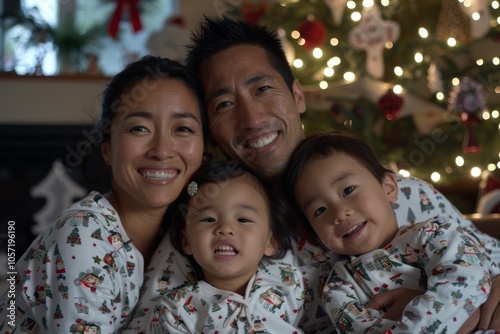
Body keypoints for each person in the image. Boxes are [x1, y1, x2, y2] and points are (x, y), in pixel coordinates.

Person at [128, 16, 500, 333]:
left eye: (263, 89)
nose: (253, 118)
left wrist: (439, 305)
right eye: (224, 104)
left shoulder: (406, 197)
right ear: (210, 128)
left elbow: (484, 260)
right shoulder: (207, 224)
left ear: (297, 95)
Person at [0, 56, 207, 333]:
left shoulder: (191, 230)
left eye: (183, 128)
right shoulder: (83, 237)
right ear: (107, 149)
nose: (162, 150)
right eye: (139, 128)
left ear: (204, 150)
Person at [284, 130, 495, 333]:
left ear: (389, 188)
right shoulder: (338, 290)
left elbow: (467, 280)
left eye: (348, 190)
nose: (339, 213)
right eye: (320, 210)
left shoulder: (434, 233)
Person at [144, 160, 305, 333]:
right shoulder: (175, 311)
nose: (225, 228)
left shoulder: (289, 282)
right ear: (187, 241)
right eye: (209, 219)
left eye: (243, 220)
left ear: (270, 243)